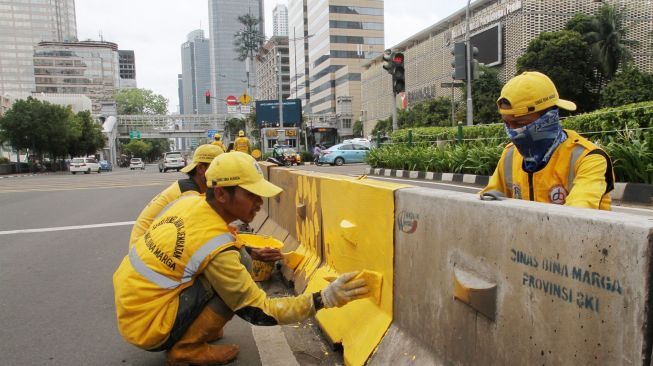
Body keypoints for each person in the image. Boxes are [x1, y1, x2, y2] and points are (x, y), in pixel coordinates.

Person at [113, 151, 369, 365]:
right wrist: (325, 298)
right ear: (222, 194)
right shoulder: (215, 247)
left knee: (239, 259)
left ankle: (195, 331)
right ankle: (187, 348)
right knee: (237, 275)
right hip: (150, 325)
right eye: (251, 194)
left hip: (133, 305)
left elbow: (215, 241)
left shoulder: (190, 203)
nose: (260, 203)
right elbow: (259, 312)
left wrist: (249, 251)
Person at [480, 71, 614, 210]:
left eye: (520, 124)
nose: (513, 133)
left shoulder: (588, 159)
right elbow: (490, 200)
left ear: (549, 118)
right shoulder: (510, 155)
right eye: (507, 124)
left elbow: (577, 216)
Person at [128, 144, 281, 263]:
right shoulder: (189, 195)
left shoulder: (192, 190)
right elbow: (209, 236)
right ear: (201, 168)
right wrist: (250, 253)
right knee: (232, 260)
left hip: (148, 250)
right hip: (148, 252)